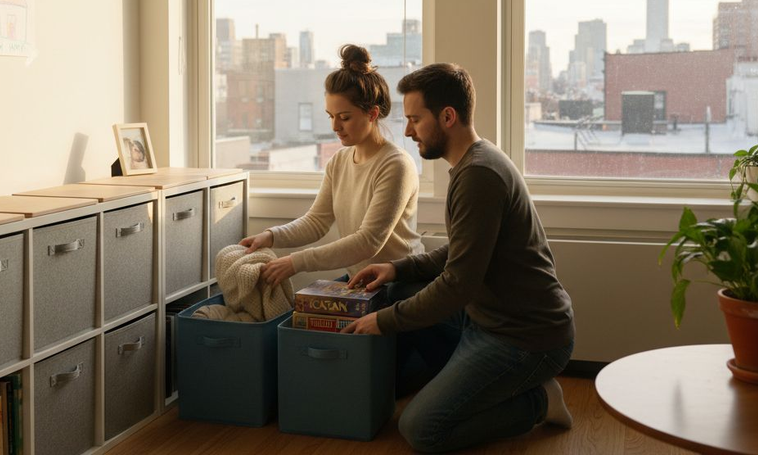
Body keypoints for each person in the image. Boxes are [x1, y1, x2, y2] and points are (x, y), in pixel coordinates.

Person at [343, 63, 575, 453]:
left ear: (447, 117)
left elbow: (458, 283)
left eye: (415, 119)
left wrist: (382, 321)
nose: (407, 130)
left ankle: (538, 402)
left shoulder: (479, 175)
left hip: (525, 338)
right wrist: (397, 267)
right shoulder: (473, 163)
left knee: (421, 429)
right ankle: (469, 386)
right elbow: (461, 251)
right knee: (400, 287)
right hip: (488, 320)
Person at [240, 44, 423, 286]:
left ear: (372, 114)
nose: (335, 127)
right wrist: (270, 236)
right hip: (359, 281)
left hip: (400, 284)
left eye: (344, 117)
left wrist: (296, 262)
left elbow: (368, 241)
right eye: (331, 116)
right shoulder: (339, 162)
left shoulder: (396, 166)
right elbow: (317, 221)